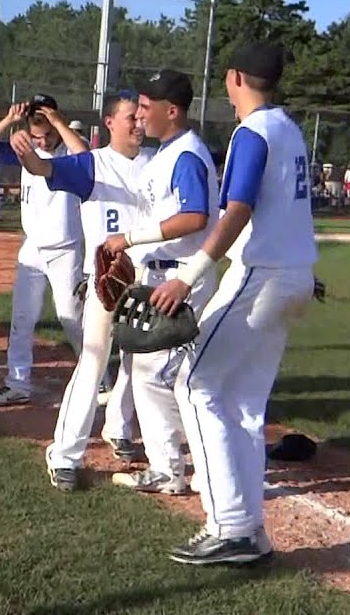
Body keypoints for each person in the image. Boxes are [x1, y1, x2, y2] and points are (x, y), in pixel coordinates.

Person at [150, 42, 317, 565]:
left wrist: (188, 274)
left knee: (194, 384)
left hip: (260, 276)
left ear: (235, 77)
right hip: (293, 276)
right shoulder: (289, 128)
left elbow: (239, 208)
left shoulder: (253, 131)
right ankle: (249, 530)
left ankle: (229, 527)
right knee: (243, 405)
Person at [7, 92, 153, 491]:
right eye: (130, 117)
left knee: (140, 363)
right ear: (110, 122)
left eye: (142, 117)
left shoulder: (158, 164)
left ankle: (120, 427)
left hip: (147, 281)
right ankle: (65, 454)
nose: (139, 123)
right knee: (92, 361)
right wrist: (27, 157)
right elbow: (44, 169)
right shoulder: (92, 163)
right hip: (107, 282)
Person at [100, 70, 219, 496]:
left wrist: (129, 239)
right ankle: (183, 465)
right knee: (154, 371)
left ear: (173, 111)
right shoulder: (169, 152)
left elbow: (195, 217)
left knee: (159, 373)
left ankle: (174, 470)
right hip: (163, 272)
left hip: (180, 276)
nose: (140, 117)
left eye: (147, 109)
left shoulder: (185, 154)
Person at [0, 103, 87, 406]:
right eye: (37, 136)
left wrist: (57, 121)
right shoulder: (25, 149)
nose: (43, 142)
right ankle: (17, 383)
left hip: (66, 248)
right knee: (22, 318)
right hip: (33, 248)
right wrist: (10, 120)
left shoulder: (69, 150)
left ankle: (97, 380)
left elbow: (85, 155)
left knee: (72, 318)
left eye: (47, 135)